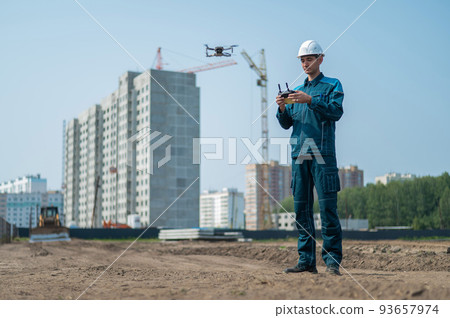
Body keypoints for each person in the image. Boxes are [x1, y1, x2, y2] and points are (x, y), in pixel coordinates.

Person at [276, 40, 344, 275]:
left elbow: (336, 112)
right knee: (301, 211)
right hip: (299, 156)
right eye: (302, 60)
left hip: (323, 155)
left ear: (320, 59)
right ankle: (306, 261)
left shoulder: (332, 85)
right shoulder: (295, 93)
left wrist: (311, 100)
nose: (305, 63)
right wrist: (282, 108)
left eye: (309, 59)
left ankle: (332, 262)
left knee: (328, 210)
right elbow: (286, 125)